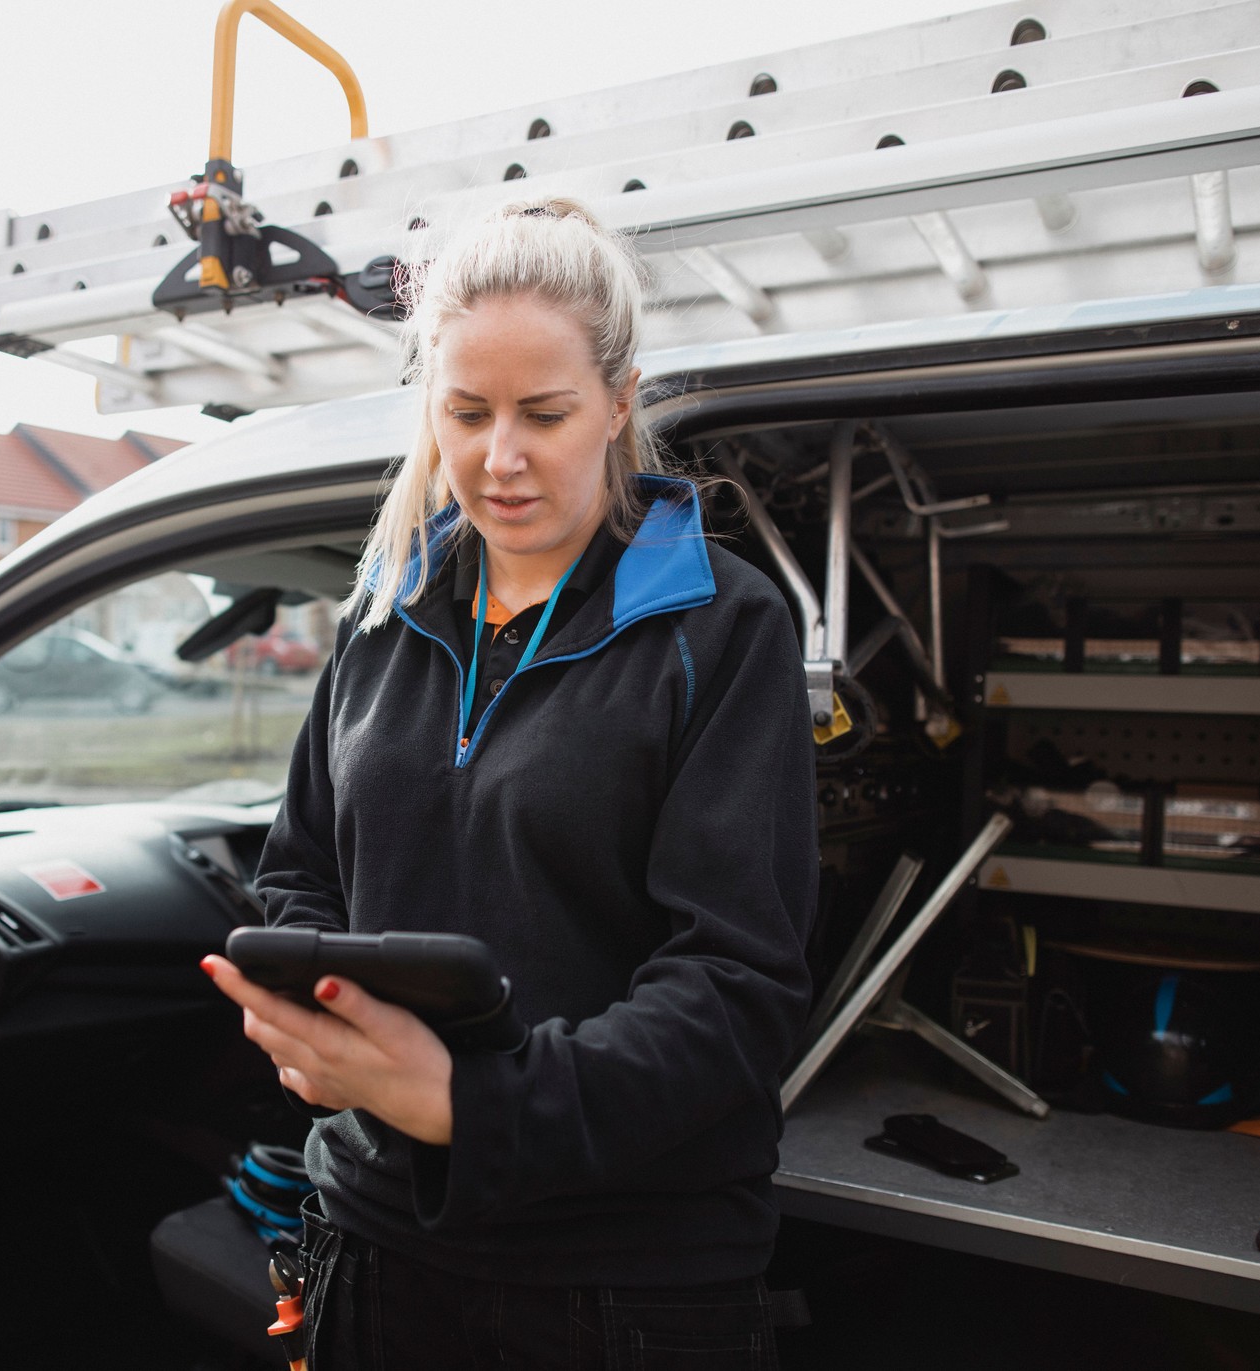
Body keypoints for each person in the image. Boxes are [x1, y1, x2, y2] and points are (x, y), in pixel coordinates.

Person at [203, 197, 818, 1369]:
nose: (500, 458)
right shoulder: (381, 615)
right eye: (465, 412)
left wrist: (471, 1107)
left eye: (545, 413)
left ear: (621, 399)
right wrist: (317, 1021)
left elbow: (738, 986)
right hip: (370, 1241)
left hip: (620, 1280)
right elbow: (301, 873)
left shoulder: (723, 628)